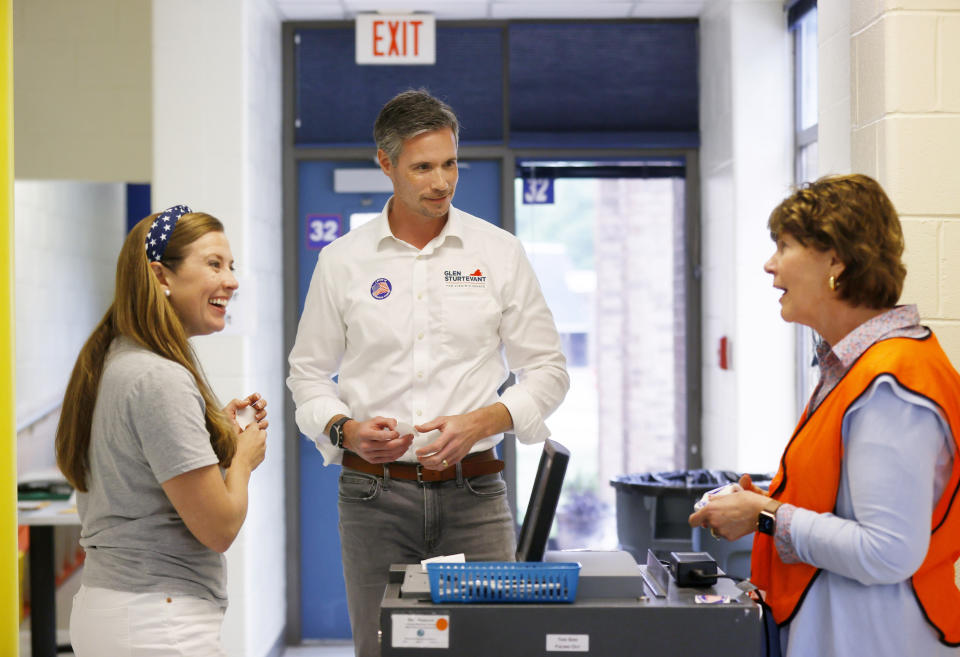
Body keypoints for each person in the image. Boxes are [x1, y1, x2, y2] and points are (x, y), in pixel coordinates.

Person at [287, 89, 570, 656]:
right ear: (386, 164)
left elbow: (548, 370)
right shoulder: (342, 262)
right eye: (422, 167)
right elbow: (308, 376)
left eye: (450, 163)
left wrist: (484, 419)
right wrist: (345, 429)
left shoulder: (499, 253)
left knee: (493, 647)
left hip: (476, 495)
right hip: (373, 498)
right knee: (382, 648)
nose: (441, 181)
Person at [688, 174, 960, 656]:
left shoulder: (890, 383)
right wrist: (760, 504)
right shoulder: (854, 368)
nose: (769, 266)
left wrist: (767, 515)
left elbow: (887, 551)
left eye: (784, 245)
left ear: (835, 259)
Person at [55, 205, 269, 656]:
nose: (231, 281)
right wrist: (244, 460)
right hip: (157, 621)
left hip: (121, 610)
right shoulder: (160, 379)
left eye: (232, 267)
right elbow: (220, 528)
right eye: (214, 264)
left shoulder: (118, 358)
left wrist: (214, 434)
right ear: (161, 276)